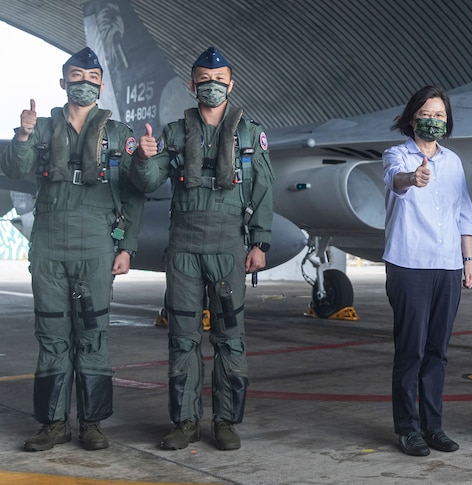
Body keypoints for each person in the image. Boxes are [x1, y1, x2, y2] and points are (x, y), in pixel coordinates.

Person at [1, 47, 145, 451]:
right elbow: (14, 169)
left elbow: (135, 195)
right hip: (49, 245)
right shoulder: (43, 128)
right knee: (51, 336)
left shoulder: (119, 135)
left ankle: (93, 424)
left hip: (97, 244)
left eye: (92, 76)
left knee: (93, 336)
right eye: (76, 76)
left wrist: (127, 247)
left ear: (101, 84)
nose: (84, 82)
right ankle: (52, 424)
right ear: (63, 82)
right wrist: (24, 133)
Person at [132, 47, 274, 451]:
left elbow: (263, 189)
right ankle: (185, 421)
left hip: (229, 246)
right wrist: (143, 158)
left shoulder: (249, 133)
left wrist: (260, 243)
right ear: (192, 85)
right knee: (183, 337)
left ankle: (226, 422)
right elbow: (147, 180)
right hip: (184, 249)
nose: (211, 86)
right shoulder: (175, 133)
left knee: (230, 337)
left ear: (232, 84)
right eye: (203, 80)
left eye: (219, 79)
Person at [383, 85, 472, 457]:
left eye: (440, 115)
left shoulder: (452, 162)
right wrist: (413, 178)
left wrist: (468, 260)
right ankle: (407, 429)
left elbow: (464, 212)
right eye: (427, 114)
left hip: (448, 266)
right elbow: (395, 180)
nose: (434, 120)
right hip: (410, 264)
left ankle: (433, 426)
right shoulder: (397, 155)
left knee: (438, 351)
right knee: (411, 351)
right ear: (411, 118)